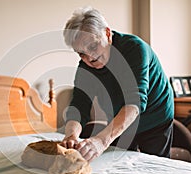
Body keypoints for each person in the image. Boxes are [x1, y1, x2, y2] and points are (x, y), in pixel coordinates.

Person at [61, 7, 174, 162]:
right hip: (121, 117)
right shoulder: (85, 67)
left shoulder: (135, 49)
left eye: (93, 46)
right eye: (81, 53)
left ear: (107, 34)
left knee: (155, 167)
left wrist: (101, 141)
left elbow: (134, 102)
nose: (89, 58)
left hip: (155, 116)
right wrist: (71, 135)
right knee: (122, 164)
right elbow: (79, 106)